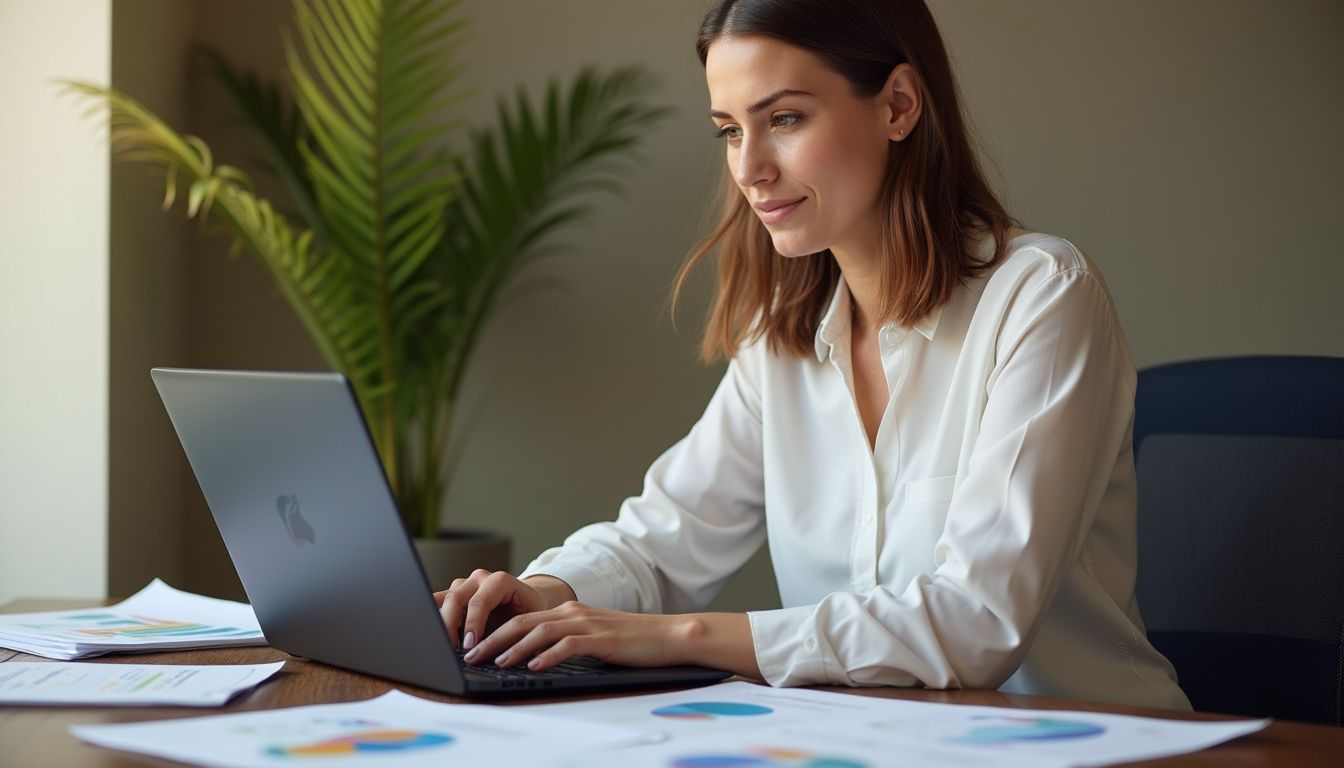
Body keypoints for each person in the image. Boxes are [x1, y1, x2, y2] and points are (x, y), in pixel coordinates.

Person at [434, 0, 1190, 710]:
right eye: (729, 130)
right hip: (878, 746)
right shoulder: (783, 334)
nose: (749, 168)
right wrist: (548, 592)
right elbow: (665, 538)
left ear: (898, 105)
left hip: (1097, 744)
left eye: (784, 118)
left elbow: (976, 623)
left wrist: (683, 638)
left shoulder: (1042, 297)